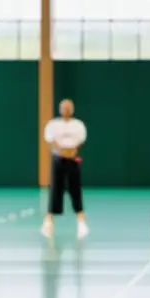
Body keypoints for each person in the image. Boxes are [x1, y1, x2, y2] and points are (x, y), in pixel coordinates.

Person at [42, 99, 89, 239]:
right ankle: (48, 221)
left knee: (75, 190)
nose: (66, 109)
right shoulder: (53, 125)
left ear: (72, 109)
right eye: (64, 107)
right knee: (55, 189)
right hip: (58, 160)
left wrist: (71, 151)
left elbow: (80, 141)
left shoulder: (78, 125)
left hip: (73, 161)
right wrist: (61, 150)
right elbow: (51, 140)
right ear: (60, 109)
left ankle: (81, 222)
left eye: (69, 107)